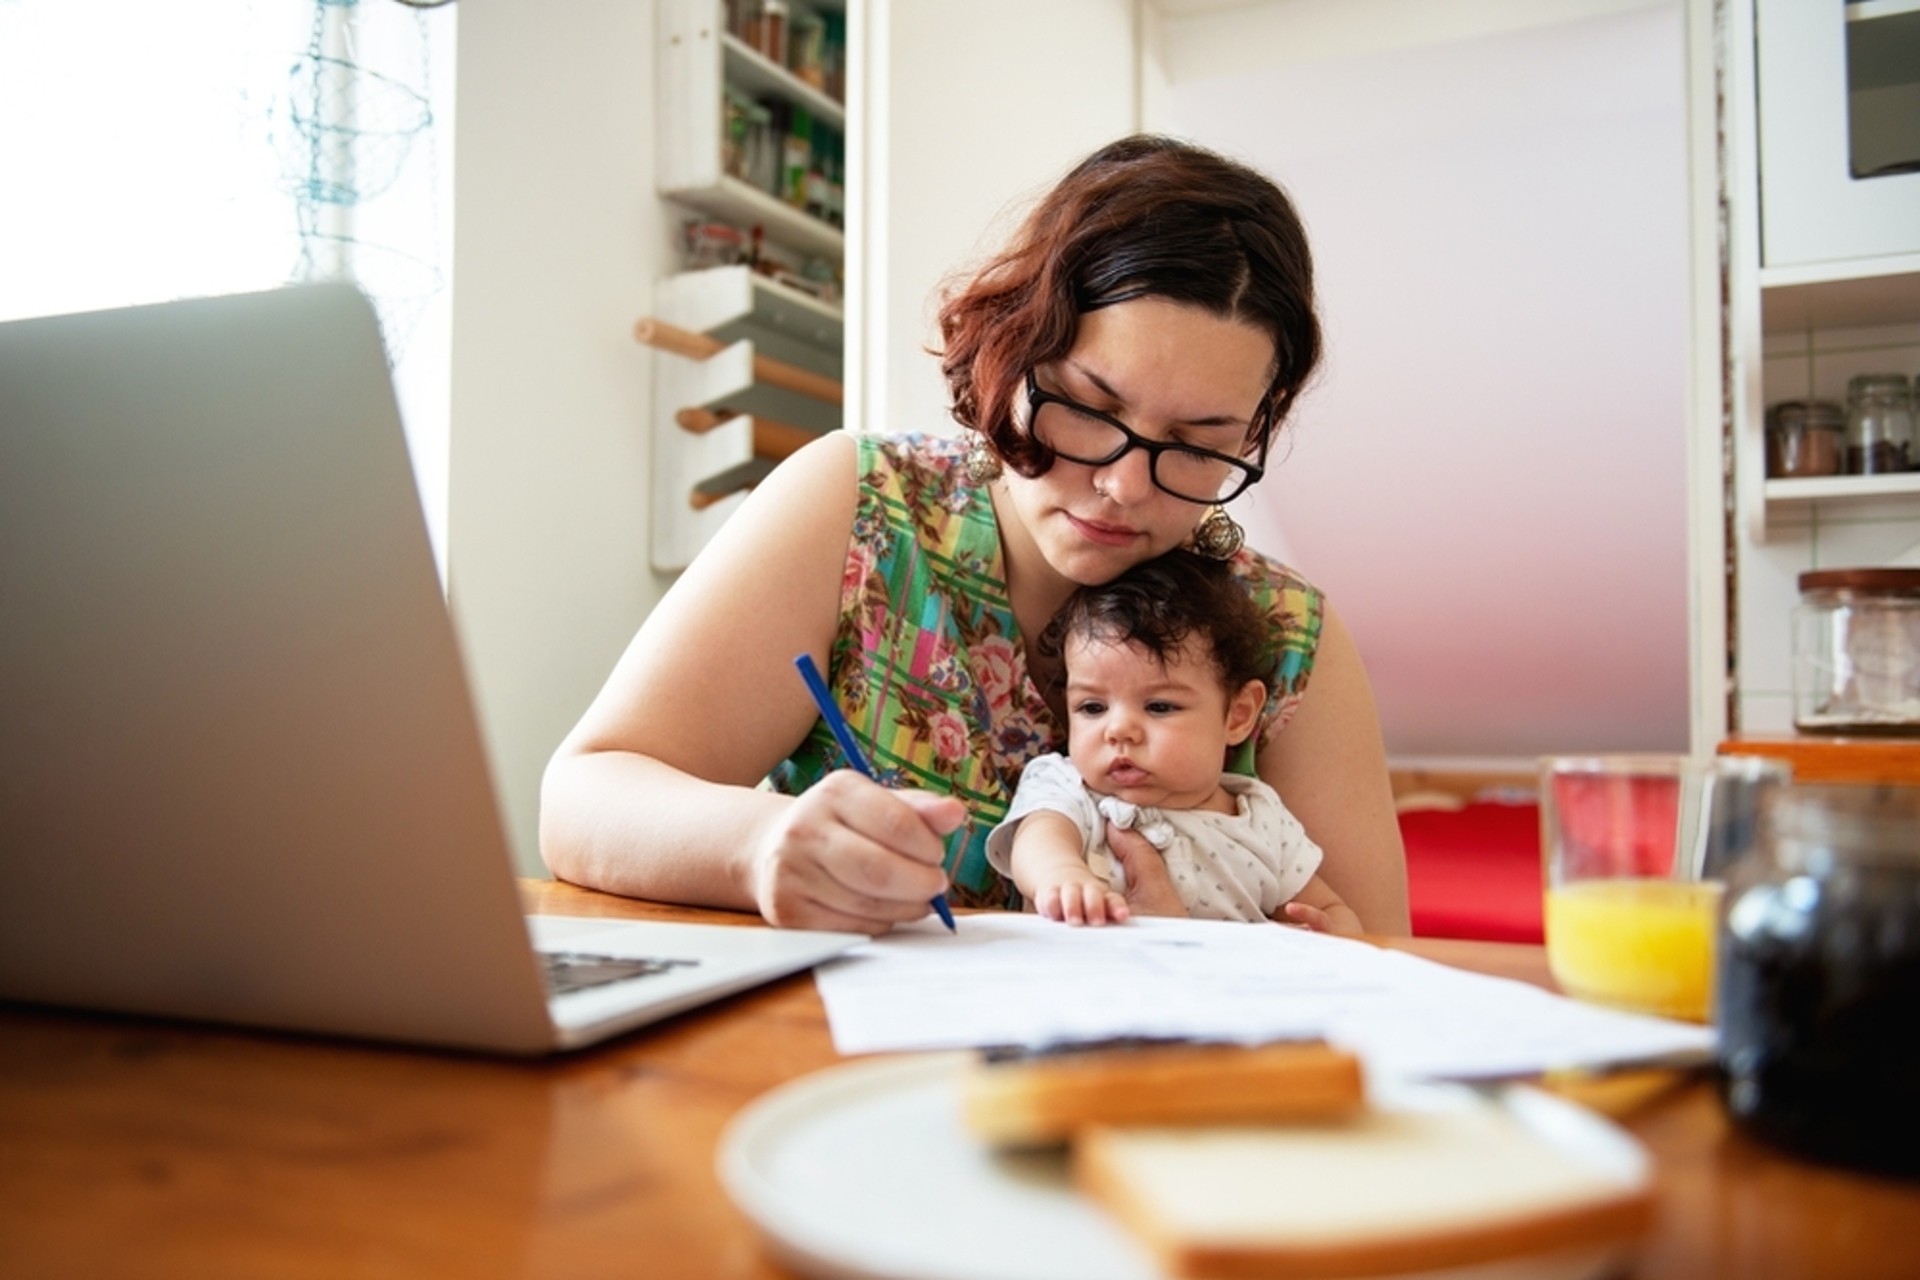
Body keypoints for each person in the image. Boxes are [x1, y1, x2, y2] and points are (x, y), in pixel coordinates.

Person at [540, 134, 1409, 937]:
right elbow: (583, 798)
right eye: (1088, 408)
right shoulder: (865, 508)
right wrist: (759, 844)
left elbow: (1385, 958)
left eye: (1194, 446)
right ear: (1013, 350)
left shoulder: (1287, 635)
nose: (1122, 485)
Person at [985, 550, 1362, 933]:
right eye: (1093, 707)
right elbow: (1037, 840)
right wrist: (1063, 876)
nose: (1118, 730)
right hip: (1093, 979)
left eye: (1159, 706)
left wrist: (1334, 932)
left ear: (1238, 714)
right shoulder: (1070, 788)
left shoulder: (1261, 817)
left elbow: (1328, 905)